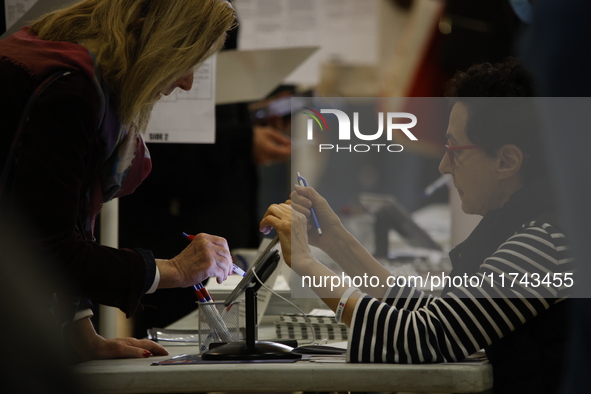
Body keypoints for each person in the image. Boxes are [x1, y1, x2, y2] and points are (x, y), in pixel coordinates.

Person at [260, 59, 572, 393]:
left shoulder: (543, 241)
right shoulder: (535, 222)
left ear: (506, 161)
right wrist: (337, 241)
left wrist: (307, 265)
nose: (443, 166)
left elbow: (423, 337)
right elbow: (441, 314)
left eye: (455, 150)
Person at [0, 0, 236, 361]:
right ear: (147, 37)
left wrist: (84, 336)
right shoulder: (68, 92)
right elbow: (48, 253)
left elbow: (60, 220)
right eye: (186, 61)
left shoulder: (64, 67)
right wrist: (174, 270)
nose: (188, 83)